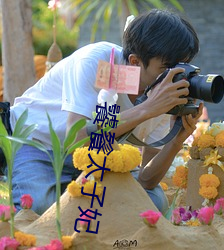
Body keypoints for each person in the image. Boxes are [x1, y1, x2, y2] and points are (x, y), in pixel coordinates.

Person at [6, 9, 202, 215]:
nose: (175, 76)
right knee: (39, 208)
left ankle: (71, 199)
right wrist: (147, 109)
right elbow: (76, 139)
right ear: (135, 62)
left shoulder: (164, 90)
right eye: (167, 68)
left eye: (182, 66)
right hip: (38, 143)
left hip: (97, 156)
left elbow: (146, 180)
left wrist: (176, 140)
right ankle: (65, 198)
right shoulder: (97, 62)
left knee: (152, 202)